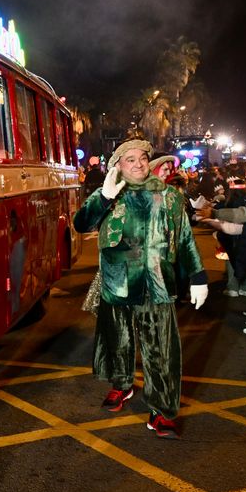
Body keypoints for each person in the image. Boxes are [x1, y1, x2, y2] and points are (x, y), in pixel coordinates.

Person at [73, 138, 207, 439]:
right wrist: (103, 197)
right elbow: (81, 224)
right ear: (118, 165)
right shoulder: (108, 194)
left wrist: (198, 276)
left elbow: (185, 238)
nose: (138, 163)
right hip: (117, 282)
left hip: (158, 282)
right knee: (118, 342)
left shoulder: (169, 196)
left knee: (161, 349)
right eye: (129, 159)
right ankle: (121, 385)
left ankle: (162, 411)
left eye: (142, 158)